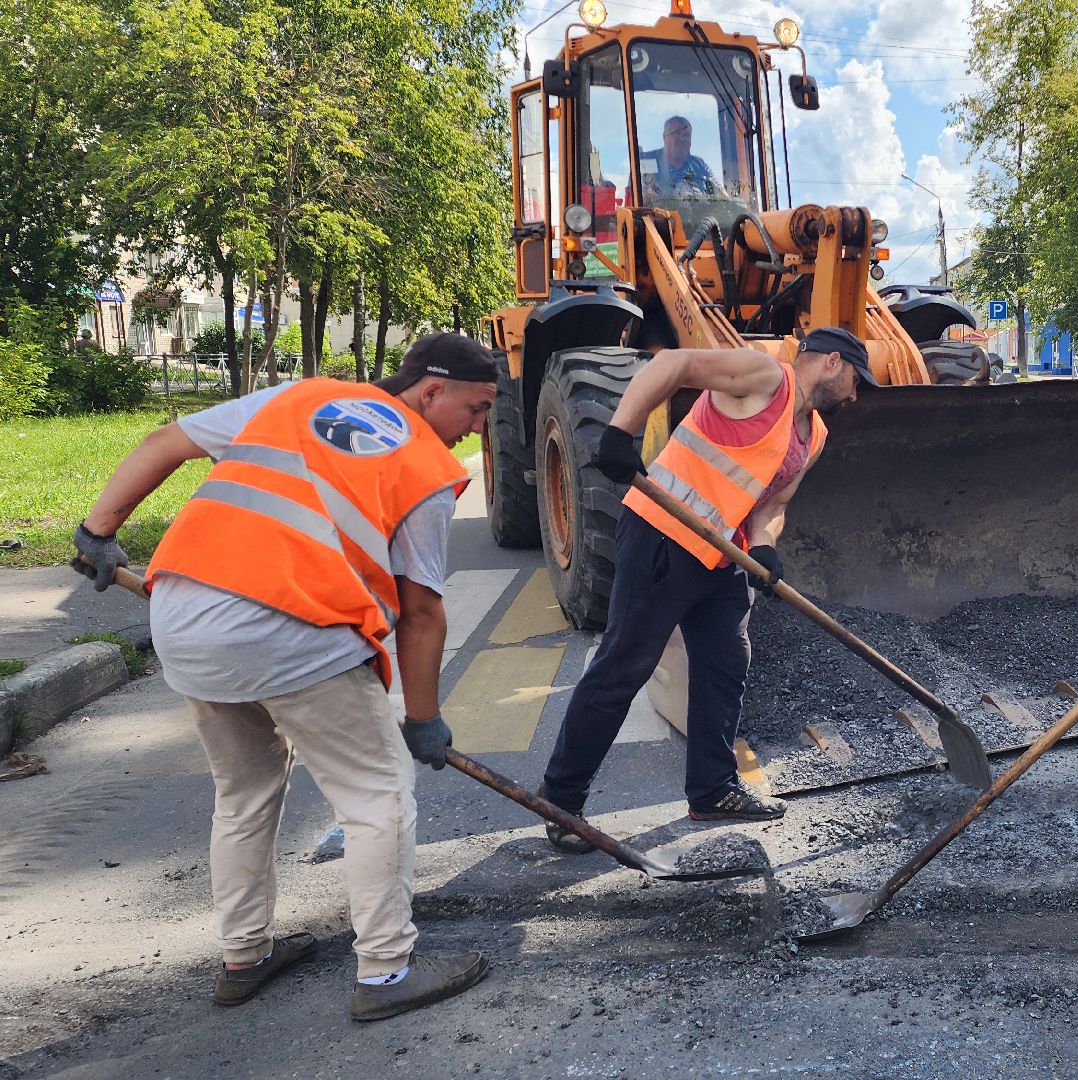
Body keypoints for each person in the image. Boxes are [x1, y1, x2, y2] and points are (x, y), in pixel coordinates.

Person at [70, 333, 500, 1018]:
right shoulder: (424, 467)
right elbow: (421, 614)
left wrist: (98, 531)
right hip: (289, 631)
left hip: (185, 619)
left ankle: (244, 956)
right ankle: (387, 972)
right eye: (477, 410)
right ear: (431, 392)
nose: (479, 428)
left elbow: (164, 442)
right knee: (378, 794)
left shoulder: (303, 397)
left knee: (243, 794)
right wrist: (422, 719)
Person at [538, 327, 875, 846]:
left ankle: (712, 789)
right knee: (625, 663)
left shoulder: (815, 435)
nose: (856, 394)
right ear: (832, 362)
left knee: (725, 662)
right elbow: (671, 365)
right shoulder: (765, 377)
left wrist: (763, 546)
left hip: (722, 555)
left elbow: (773, 506)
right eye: (856, 378)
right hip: (663, 534)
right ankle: (562, 802)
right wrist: (620, 431)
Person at [645, 115, 719, 197]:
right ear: (664, 137)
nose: (681, 138)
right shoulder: (648, 161)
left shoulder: (699, 165)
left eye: (686, 135)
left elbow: (721, 193)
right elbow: (637, 198)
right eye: (676, 133)